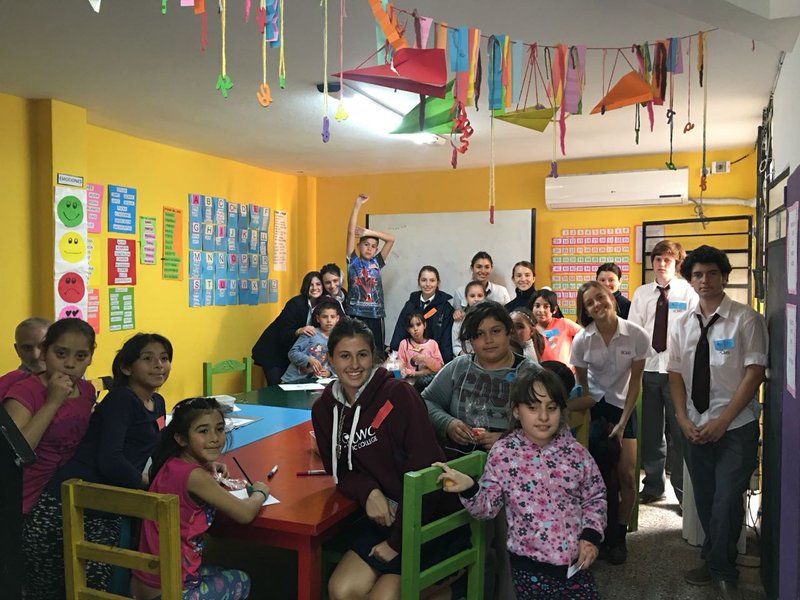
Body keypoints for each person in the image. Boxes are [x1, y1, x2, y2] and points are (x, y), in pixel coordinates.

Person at [311, 317, 465, 600]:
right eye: (344, 356)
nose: (354, 365)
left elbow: (428, 475)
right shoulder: (324, 409)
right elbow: (340, 472)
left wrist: (397, 543)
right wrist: (368, 491)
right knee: (341, 590)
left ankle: (452, 589)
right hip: (384, 519)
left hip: (427, 518)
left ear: (374, 357)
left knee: (382, 598)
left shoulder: (399, 395)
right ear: (330, 359)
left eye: (362, 355)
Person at [436, 367, 606, 600]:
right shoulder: (504, 453)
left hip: (576, 566)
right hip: (528, 569)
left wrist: (590, 536)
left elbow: (595, 497)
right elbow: (487, 508)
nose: (543, 416)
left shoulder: (576, 453)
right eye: (533, 407)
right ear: (516, 410)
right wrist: (470, 488)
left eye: (551, 408)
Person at [23, 333, 172, 599]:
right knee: (55, 589)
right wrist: (147, 485)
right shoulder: (121, 400)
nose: (158, 365)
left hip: (107, 503)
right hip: (69, 502)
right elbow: (110, 460)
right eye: (148, 358)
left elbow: (157, 447)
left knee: (94, 586)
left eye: (164, 358)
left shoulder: (156, 402)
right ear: (126, 367)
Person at [668, 245, 767, 600]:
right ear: (690, 280)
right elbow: (675, 374)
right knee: (707, 499)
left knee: (726, 499)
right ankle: (714, 559)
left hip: (735, 427)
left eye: (712, 273)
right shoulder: (682, 324)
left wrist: (723, 421)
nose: (705, 280)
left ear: (724, 277)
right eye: (697, 275)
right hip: (695, 427)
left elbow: (754, 373)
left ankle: (724, 571)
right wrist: (682, 418)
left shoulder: (746, 319)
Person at [131, 397, 268, 600]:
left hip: (145, 582)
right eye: (203, 431)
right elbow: (245, 514)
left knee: (219, 570)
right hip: (170, 591)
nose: (214, 438)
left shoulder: (170, 462)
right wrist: (260, 493)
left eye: (219, 429)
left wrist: (205, 466)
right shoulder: (195, 477)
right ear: (181, 439)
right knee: (241, 579)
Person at [570, 281, 651, 565]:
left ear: (612, 298)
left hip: (623, 408)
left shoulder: (636, 335)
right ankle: (596, 534)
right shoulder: (582, 340)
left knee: (626, 475)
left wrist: (623, 422)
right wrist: (585, 420)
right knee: (594, 477)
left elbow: (636, 382)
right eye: (589, 303)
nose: (597, 305)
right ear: (585, 310)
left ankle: (619, 535)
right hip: (593, 409)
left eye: (600, 298)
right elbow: (582, 386)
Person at [628, 240, 698, 508]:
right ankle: (654, 486)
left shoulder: (688, 291)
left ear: (676, 263)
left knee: (680, 432)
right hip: (648, 369)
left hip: (677, 371)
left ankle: (682, 492)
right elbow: (634, 331)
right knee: (651, 432)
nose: (661, 264)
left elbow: (694, 330)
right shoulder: (642, 293)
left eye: (667, 260)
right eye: (657, 259)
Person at [2, 318, 96, 515]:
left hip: (54, 496)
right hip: (14, 497)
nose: (70, 364)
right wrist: (53, 402)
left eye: (81, 356)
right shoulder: (25, 391)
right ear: (45, 353)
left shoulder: (87, 391)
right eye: (60, 354)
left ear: (90, 358)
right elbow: (14, 452)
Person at [344, 194, 395, 359]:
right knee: (354, 350)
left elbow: (391, 239)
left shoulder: (377, 262)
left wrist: (368, 232)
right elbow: (350, 232)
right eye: (366, 244)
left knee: (376, 354)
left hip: (375, 315)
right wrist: (357, 205)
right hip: (355, 314)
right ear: (359, 246)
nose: (369, 248)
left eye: (373, 246)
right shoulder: (353, 261)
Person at [252, 271, 325, 385]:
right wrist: (299, 330)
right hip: (273, 351)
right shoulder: (296, 303)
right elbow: (284, 332)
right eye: (311, 285)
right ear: (305, 286)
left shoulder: (322, 305)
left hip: (291, 354)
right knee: (277, 389)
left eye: (318, 284)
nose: (315, 288)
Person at [389, 265, 455, 363]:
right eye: (424, 280)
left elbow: (447, 338)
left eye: (432, 280)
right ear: (419, 282)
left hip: (434, 358)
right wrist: (393, 354)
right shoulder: (411, 304)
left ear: (438, 283)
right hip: (410, 356)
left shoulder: (445, 307)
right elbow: (400, 329)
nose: (428, 284)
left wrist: (445, 364)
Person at [281, 298, 343, 382]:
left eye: (332, 317)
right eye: (324, 317)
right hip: (293, 380)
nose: (329, 320)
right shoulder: (311, 333)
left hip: (316, 382)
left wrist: (329, 373)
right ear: (318, 318)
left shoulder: (338, 340)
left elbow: (337, 362)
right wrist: (308, 359)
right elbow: (292, 353)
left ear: (337, 318)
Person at [0, 317, 51, 398]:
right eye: (27, 348)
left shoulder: (71, 383)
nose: (35, 355)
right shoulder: (4, 386)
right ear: (17, 350)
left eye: (43, 346)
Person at [452, 252, 511, 321]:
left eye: (487, 267)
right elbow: (457, 318)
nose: (483, 271)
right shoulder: (460, 292)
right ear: (472, 268)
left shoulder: (501, 291)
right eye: (479, 267)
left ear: (491, 268)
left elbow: (509, 316)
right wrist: (456, 313)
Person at [531, 289, 582, 369]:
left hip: (567, 373)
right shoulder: (530, 330)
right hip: (543, 373)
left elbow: (586, 335)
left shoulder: (564, 323)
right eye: (537, 306)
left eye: (546, 306)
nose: (541, 310)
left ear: (554, 309)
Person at [397, 310, 445, 377]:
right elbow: (400, 370)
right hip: (409, 382)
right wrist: (418, 373)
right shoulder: (404, 344)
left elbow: (440, 368)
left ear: (424, 325)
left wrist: (425, 359)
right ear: (408, 329)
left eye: (418, 324)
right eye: (411, 326)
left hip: (430, 382)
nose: (415, 329)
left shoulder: (432, 344)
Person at [451, 281, 485, 357]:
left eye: (480, 296)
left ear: (484, 297)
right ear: (466, 298)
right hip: (465, 358)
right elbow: (456, 346)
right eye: (472, 296)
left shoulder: (491, 318)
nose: (476, 299)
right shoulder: (460, 319)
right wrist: (464, 356)